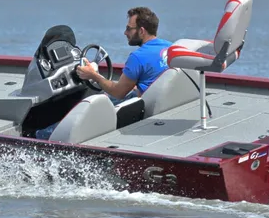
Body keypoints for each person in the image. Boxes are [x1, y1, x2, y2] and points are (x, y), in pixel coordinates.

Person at [35, 7, 172, 139]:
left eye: (128, 28)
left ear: (142, 31)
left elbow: (119, 92)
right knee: (104, 96)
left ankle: (42, 136)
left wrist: (93, 75)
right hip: (157, 102)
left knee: (88, 109)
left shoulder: (138, 57)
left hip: (141, 110)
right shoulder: (169, 47)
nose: (125, 32)